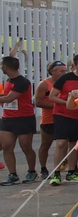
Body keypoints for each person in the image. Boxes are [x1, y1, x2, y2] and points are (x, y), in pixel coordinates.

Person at [49, 54, 78, 184]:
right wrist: (70, 102)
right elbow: (52, 97)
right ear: (75, 66)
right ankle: (56, 174)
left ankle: (71, 172)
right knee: (60, 143)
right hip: (62, 115)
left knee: (75, 145)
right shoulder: (64, 78)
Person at [0, 55, 39, 184]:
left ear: (5, 67)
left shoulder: (22, 82)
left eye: (2, 66)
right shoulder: (9, 80)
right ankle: (12, 174)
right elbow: (6, 97)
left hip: (24, 118)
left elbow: (9, 99)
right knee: (6, 146)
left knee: (25, 146)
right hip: (7, 118)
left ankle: (32, 171)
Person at [34, 60, 65, 181]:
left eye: (65, 70)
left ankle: (60, 168)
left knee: (63, 144)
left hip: (63, 118)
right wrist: (57, 105)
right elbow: (38, 102)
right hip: (48, 119)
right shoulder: (44, 84)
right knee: (45, 145)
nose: (64, 73)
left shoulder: (66, 82)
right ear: (53, 72)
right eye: (61, 71)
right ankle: (43, 168)